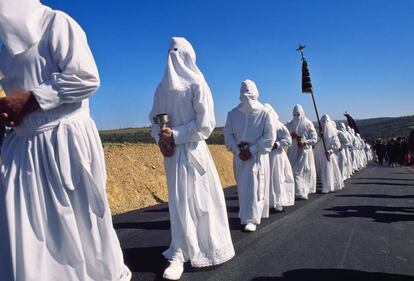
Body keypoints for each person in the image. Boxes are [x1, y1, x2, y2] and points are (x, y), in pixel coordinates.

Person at [0, 1, 131, 280]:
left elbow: (86, 78)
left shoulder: (56, 23)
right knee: (33, 233)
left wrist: (33, 99)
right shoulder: (5, 52)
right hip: (24, 149)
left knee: (85, 226)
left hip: (64, 142)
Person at [150, 37, 235, 280]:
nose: (172, 55)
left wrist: (175, 134)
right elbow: (153, 121)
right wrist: (161, 138)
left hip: (193, 152)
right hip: (173, 154)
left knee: (201, 201)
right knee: (178, 202)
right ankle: (179, 252)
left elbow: (206, 125)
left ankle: (209, 246)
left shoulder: (198, 84)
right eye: (170, 51)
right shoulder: (161, 88)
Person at [224, 79, 275, 232]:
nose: (247, 98)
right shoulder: (233, 114)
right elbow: (228, 134)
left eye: (250, 95)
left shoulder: (264, 113)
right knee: (243, 187)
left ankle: (251, 218)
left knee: (254, 187)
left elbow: (269, 137)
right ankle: (245, 215)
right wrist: (237, 150)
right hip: (239, 157)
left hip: (256, 157)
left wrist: (251, 150)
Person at [266, 104, 294, 212]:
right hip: (266, 155)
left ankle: (278, 201)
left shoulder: (279, 126)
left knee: (277, 178)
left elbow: (288, 140)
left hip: (276, 155)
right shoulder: (262, 125)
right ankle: (268, 201)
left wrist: (277, 144)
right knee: (267, 179)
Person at [285, 104, 317, 200]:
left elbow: (314, 138)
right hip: (293, 151)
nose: (296, 116)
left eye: (298, 114)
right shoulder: (289, 124)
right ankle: (296, 191)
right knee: (293, 171)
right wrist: (291, 135)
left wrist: (305, 142)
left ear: (302, 113)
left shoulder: (308, 123)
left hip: (305, 152)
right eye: (294, 114)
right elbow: (283, 134)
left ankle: (303, 191)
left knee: (303, 171)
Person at [314, 115, 344, 193]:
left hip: (328, 155)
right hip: (319, 154)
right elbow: (314, 142)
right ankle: (327, 185)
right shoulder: (318, 132)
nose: (324, 123)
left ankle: (326, 187)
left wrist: (330, 150)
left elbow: (337, 144)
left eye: (326, 121)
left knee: (326, 170)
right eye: (323, 121)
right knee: (322, 171)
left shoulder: (333, 134)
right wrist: (319, 136)